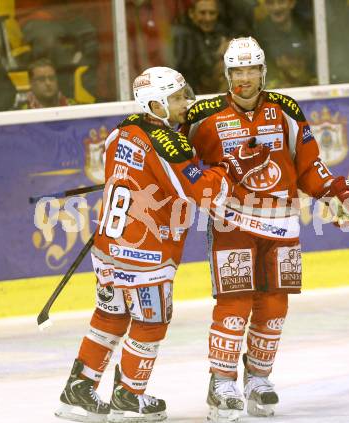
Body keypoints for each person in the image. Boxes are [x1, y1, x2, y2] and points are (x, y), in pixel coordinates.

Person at [55, 66, 270, 423]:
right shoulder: (167, 142)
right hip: (146, 253)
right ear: (154, 103)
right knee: (151, 321)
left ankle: (79, 390)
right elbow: (200, 192)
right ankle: (129, 397)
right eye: (175, 97)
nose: (185, 102)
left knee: (110, 314)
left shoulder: (120, 132)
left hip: (109, 247)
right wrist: (227, 168)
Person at [183, 37, 349, 422]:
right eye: (236, 71)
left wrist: (334, 189)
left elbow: (309, 165)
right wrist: (211, 180)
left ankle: (258, 379)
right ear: (226, 74)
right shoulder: (203, 115)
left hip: (281, 221)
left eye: (251, 70)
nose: (244, 78)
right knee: (235, 301)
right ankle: (221, 382)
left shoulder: (286, 110)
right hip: (231, 219)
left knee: (275, 305)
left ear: (263, 72)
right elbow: (178, 161)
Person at [253, 0, 315, 85]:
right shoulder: (259, 34)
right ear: (265, 6)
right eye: (270, 3)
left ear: (291, 3)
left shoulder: (306, 28)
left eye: (281, 2)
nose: (276, 8)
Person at [173, 0, 229, 94]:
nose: (208, 18)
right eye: (202, 13)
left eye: (212, 13)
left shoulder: (219, 31)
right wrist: (218, 55)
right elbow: (194, 68)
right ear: (191, 13)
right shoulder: (183, 35)